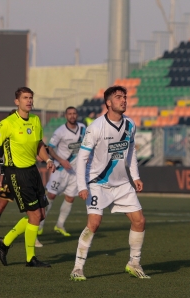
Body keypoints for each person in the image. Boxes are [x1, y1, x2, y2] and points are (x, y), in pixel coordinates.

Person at [70, 85, 149, 281]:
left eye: (125, 97)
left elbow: (131, 153)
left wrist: (135, 176)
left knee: (139, 221)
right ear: (108, 103)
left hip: (122, 184)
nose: (123, 100)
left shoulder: (130, 125)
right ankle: (77, 268)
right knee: (94, 224)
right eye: (118, 97)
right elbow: (81, 158)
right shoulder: (96, 127)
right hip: (98, 182)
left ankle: (134, 263)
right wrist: (82, 186)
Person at [0, 87, 55, 267]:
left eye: (31, 98)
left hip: (32, 171)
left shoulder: (35, 120)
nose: (29, 101)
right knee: (34, 215)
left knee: (40, 215)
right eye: (25, 98)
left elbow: (39, 145)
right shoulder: (7, 123)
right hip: (16, 173)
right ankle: (30, 258)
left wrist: (48, 159)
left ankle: (5, 242)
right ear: (17, 101)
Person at [0, 110, 43, 248]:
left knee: (34, 211)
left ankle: (33, 238)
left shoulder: (25, 133)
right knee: (0, 207)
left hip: (25, 176)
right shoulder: (5, 137)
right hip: (8, 178)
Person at [37, 106, 86, 237]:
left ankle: (60, 225)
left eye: (74, 113)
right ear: (66, 116)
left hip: (75, 171)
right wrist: (61, 160)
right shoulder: (60, 131)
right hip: (60, 169)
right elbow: (51, 148)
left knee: (70, 198)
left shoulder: (83, 128)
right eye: (70, 114)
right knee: (51, 195)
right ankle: (40, 225)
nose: (72, 116)